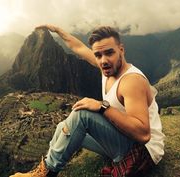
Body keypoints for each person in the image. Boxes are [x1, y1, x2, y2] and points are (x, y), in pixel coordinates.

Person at [10, 25, 165, 177]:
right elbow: (79, 48)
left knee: (83, 115)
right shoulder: (106, 67)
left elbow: (143, 134)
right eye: (98, 55)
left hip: (143, 151)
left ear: (121, 50)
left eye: (109, 52)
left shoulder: (131, 81)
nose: (103, 60)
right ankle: (45, 167)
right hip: (123, 137)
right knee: (62, 127)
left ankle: (48, 172)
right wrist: (58, 31)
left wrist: (102, 107)